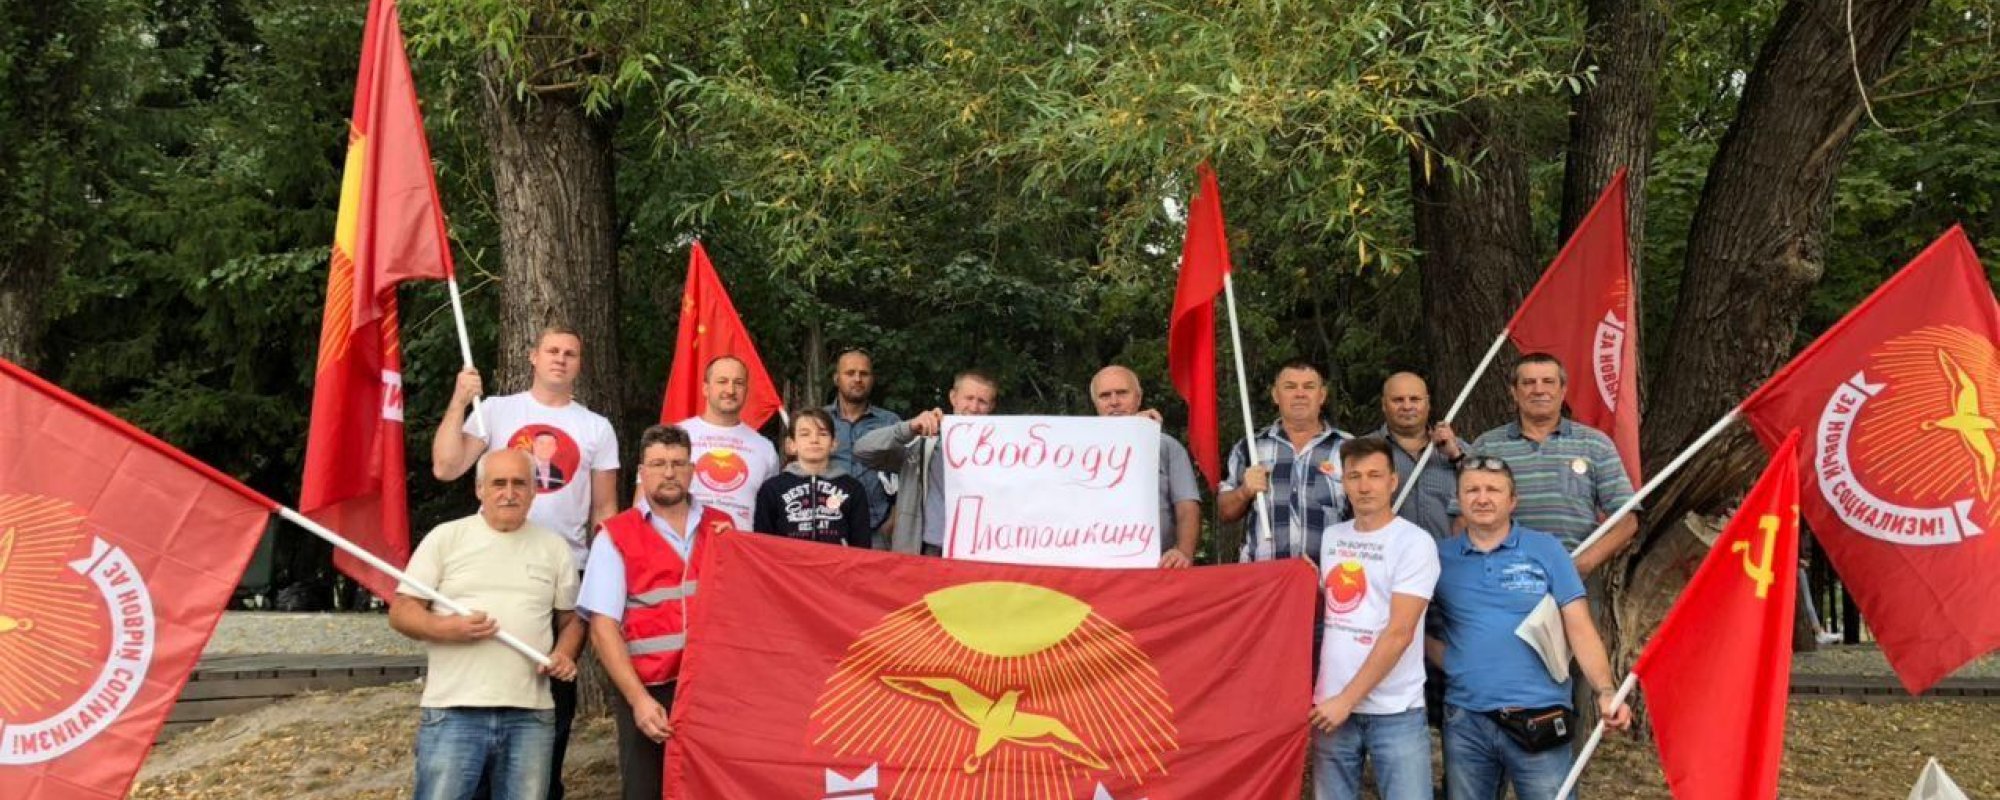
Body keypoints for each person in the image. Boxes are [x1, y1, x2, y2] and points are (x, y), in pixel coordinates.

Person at [430, 324, 616, 799]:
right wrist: (459, 399)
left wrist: (604, 573)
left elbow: (605, 510)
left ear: (580, 364)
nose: (560, 359)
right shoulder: (496, 410)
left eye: (570, 353)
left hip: (563, 572)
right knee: (484, 683)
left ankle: (540, 788)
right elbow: (447, 467)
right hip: (493, 566)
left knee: (552, 693)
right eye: (552, 350)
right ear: (533, 356)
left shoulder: (596, 427)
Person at [1428, 457, 1631, 800]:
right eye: (1472, 490)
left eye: (1493, 490)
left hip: (1541, 715)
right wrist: (1447, 657)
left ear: (1512, 501)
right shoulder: (1437, 557)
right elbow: (1406, 622)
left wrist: (1606, 689)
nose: (1482, 498)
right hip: (1467, 720)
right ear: (1458, 500)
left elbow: (1580, 628)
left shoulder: (1547, 549)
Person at [391, 449, 582, 800]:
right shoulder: (446, 537)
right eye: (498, 483)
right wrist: (446, 628)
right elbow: (402, 610)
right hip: (453, 711)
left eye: (519, 484)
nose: (509, 493)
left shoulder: (554, 548)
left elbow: (571, 621)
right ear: (480, 489)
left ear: (534, 491)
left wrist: (564, 653)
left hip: (530, 715)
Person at [577, 425, 737, 800]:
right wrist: (638, 700)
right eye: (658, 464)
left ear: (692, 471)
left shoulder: (723, 527)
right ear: (641, 472)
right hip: (650, 688)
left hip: (711, 689)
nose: (669, 473)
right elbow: (602, 629)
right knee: (646, 790)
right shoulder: (615, 535)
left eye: (678, 464)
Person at [1307, 437, 1440, 800]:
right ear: (1344, 483)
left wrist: (1346, 701)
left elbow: (1399, 632)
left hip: (1394, 709)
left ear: (1392, 481)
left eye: (1375, 475)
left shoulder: (1414, 543)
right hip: (1330, 704)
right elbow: (1337, 604)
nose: (1364, 486)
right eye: (1355, 476)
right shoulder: (1333, 537)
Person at [1463, 354, 1638, 574]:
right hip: (1503, 576)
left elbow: (1627, 520)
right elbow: (1462, 517)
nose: (1539, 390)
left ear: (1563, 391)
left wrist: (1585, 563)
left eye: (1548, 381)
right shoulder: (1486, 446)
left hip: (1577, 577)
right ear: (1514, 392)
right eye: (1529, 383)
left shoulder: (1595, 444)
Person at [1219, 359, 1353, 563]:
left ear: (1322, 395)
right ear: (1275, 395)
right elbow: (1225, 512)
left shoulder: (1349, 448)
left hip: (1329, 576)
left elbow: (1370, 514)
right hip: (1263, 577)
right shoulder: (1250, 447)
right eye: (1290, 387)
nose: (1300, 393)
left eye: (1309, 387)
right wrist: (1244, 492)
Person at [855, 369, 998, 555]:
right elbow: (862, 450)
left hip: (976, 549)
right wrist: (909, 427)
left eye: (982, 401)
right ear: (953, 397)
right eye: (968, 398)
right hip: (924, 549)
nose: (973, 407)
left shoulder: (1004, 452)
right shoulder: (922, 442)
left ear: (991, 406)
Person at [1089, 365, 1199, 567]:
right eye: (1105, 396)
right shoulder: (1076, 449)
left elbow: (1186, 506)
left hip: (1156, 567)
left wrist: (1183, 552)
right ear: (1095, 403)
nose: (1114, 402)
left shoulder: (1167, 447)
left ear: (1138, 398)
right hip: (1091, 566)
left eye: (1122, 393)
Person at [674, 355, 781, 530]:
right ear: (705, 388)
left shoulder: (764, 448)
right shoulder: (676, 436)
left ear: (746, 390)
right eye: (722, 381)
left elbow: (770, 516)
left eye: (738, 383)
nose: (730, 390)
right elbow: (645, 502)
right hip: (684, 544)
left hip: (741, 545)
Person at [754, 408, 873, 547]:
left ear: (834, 444)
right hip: (787, 561)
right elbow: (761, 543)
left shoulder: (852, 488)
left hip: (836, 561)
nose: (814, 440)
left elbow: (862, 545)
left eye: (822, 434)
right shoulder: (772, 489)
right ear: (791, 445)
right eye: (805, 434)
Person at [824, 349, 902, 544]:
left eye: (864, 373)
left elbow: (906, 473)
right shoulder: (819, 421)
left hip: (877, 529)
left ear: (872, 379)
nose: (857, 379)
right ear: (836, 378)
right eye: (850, 373)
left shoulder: (890, 423)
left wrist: (895, 516)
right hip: (827, 525)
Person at [1376, 371, 1459, 541]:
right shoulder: (1364, 451)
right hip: (1388, 554)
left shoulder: (1458, 449)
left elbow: (1485, 491)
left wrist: (1455, 456)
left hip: (1446, 554)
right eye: (1398, 400)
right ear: (1384, 405)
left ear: (1427, 403)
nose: (1407, 406)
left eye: (1415, 399)